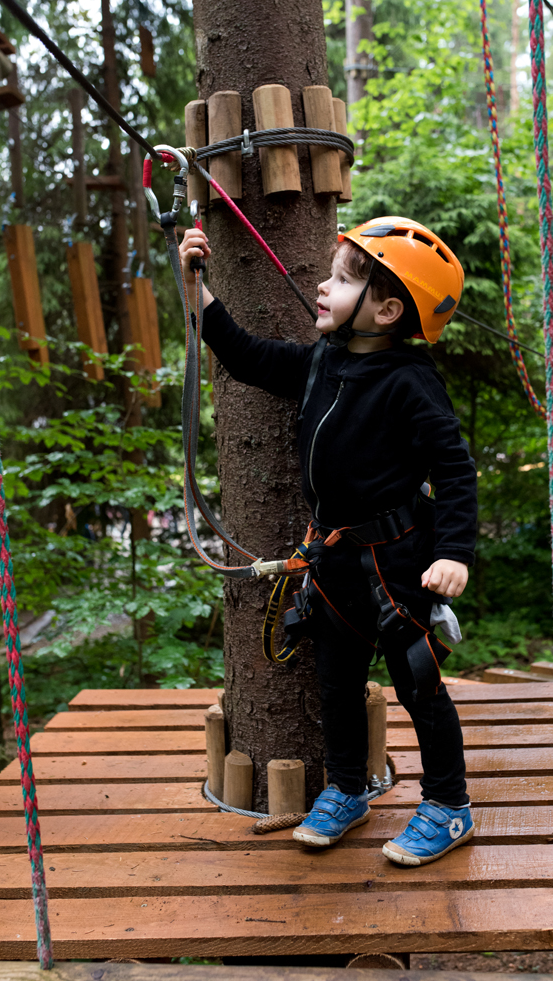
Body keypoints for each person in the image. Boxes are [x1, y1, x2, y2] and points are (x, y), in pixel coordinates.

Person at [179, 215, 477, 866]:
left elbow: (454, 470)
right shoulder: (324, 361)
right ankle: (345, 789)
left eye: (342, 280)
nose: (322, 285)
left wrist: (454, 553)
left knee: (419, 683)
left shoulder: (410, 381)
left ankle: (448, 805)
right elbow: (247, 356)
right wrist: (196, 290)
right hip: (335, 561)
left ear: (387, 310)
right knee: (336, 683)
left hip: (398, 563)